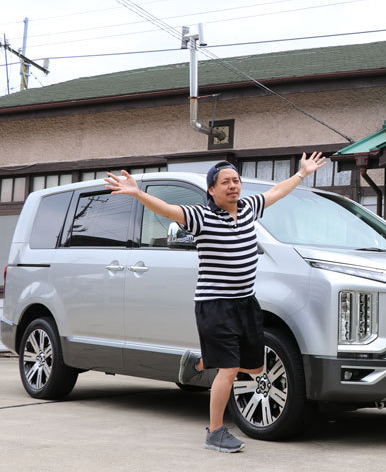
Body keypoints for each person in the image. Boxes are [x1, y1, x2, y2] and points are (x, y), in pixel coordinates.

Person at [104, 152, 326, 452]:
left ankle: (200, 362)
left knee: (256, 368)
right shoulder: (202, 217)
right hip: (215, 305)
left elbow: (276, 192)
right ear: (212, 189)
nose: (233, 186)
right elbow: (169, 210)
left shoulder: (249, 208)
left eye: (236, 181)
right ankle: (215, 432)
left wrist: (302, 174)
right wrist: (138, 193)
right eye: (226, 182)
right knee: (230, 369)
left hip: (246, 303)